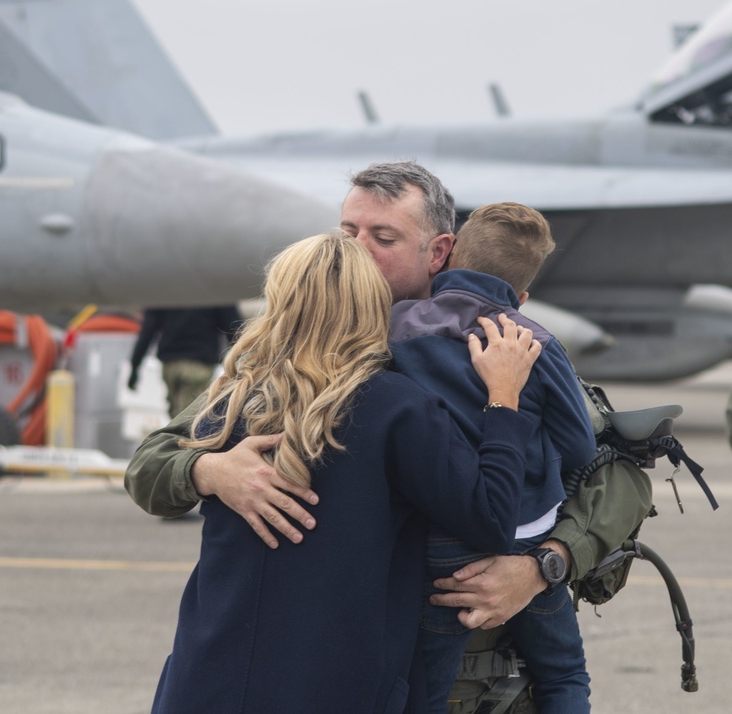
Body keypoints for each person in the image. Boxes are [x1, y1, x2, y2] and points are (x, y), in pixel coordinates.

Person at [124, 161, 653, 709]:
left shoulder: (499, 350)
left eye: (383, 237)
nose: (356, 248)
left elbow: (619, 476)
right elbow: (151, 463)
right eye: (347, 232)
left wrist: (543, 566)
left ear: (439, 252)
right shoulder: (293, 365)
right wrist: (209, 470)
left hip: (479, 679)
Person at [151, 232, 541, 713]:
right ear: (371, 305)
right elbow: (491, 519)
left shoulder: (229, 404)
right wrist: (504, 400)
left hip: (203, 682)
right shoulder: (397, 408)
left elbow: (151, 462)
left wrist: (204, 468)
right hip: (337, 687)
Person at [390, 202, 595, 713]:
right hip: (528, 539)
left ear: (448, 253)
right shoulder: (534, 340)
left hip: (442, 540)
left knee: (426, 691)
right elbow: (579, 446)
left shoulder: (395, 328)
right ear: (522, 296)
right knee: (564, 672)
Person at [128, 306, 242, 417]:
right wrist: (242, 366)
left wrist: (135, 366)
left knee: (177, 417)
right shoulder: (213, 293)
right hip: (198, 366)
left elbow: (147, 331)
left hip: (170, 366)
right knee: (189, 421)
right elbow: (235, 331)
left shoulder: (162, 291)